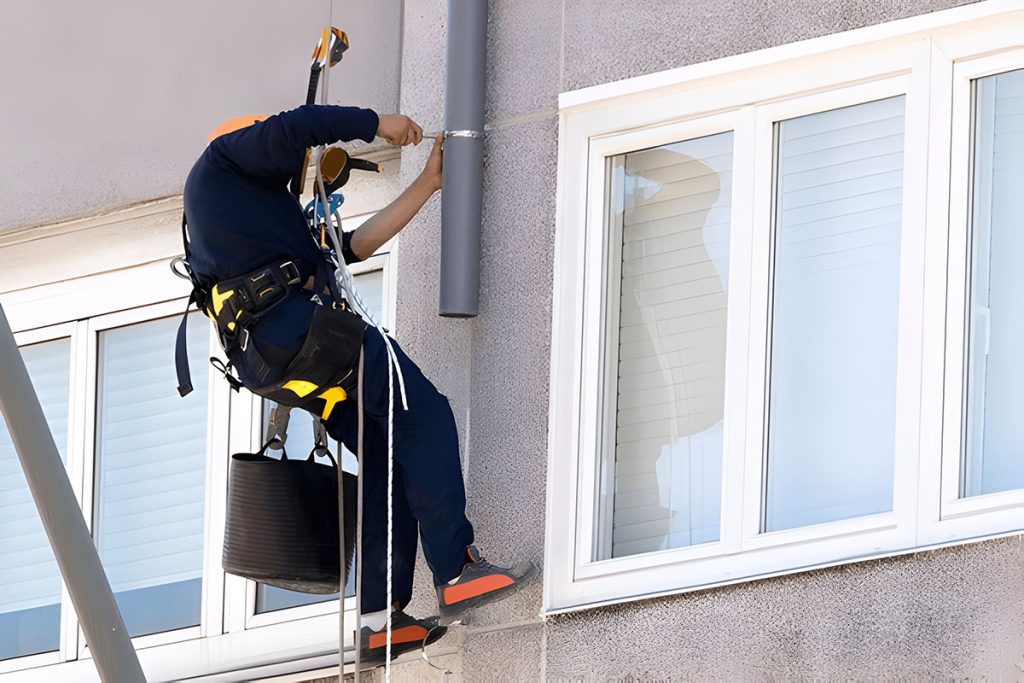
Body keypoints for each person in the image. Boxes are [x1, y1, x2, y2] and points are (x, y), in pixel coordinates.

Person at [180, 104, 535, 666]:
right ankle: (457, 569)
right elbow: (296, 127)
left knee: (389, 457)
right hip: (299, 333)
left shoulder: (253, 220)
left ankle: (379, 621)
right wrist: (378, 123)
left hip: (279, 356)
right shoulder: (222, 161)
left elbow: (349, 251)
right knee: (425, 414)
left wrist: (427, 183)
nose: (295, 164)